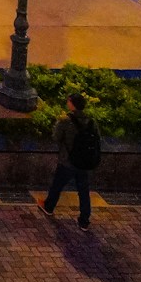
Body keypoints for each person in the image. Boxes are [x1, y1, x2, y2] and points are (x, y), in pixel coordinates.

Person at [41, 95, 99, 229]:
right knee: (83, 191)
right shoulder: (91, 122)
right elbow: (97, 138)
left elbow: (56, 137)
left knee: (57, 185)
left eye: (68, 101)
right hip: (84, 162)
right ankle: (84, 220)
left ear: (72, 105)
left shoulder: (65, 121)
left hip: (67, 161)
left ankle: (49, 207)